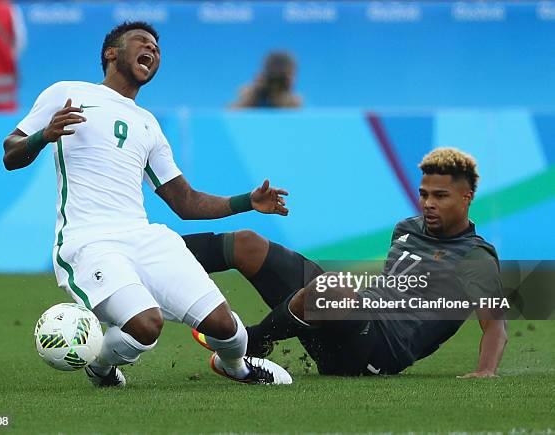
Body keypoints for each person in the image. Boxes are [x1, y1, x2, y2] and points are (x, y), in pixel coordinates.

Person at [2, 21, 293, 387]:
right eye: (142, 42)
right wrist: (44, 136)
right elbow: (10, 153)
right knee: (145, 326)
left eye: (156, 48)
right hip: (89, 242)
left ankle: (236, 366)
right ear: (111, 53)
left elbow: (186, 202)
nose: (152, 51)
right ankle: (102, 367)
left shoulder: (148, 124)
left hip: (145, 237)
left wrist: (247, 201)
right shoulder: (66, 92)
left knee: (228, 330)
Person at [187, 148, 508, 378]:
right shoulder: (407, 229)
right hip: (343, 320)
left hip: (376, 353)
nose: (428, 204)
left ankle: (249, 342)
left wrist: (485, 371)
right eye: (424, 194)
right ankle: (150, 263)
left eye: (440, 196)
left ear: (466, 198)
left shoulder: (476, 256)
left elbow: (495, 326)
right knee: (247, 244)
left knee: (332, 288)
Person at [230, 51, 301, 109]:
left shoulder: (293, 101)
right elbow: (229, 114)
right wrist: (254, 94)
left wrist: (279, 101)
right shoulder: (250, 93)